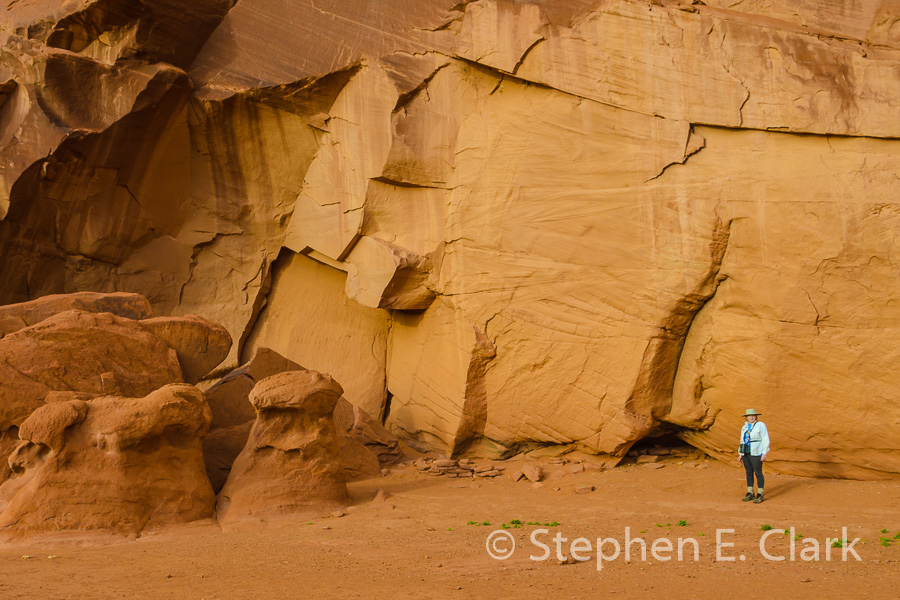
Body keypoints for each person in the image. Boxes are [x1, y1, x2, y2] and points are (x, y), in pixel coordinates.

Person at [737, 408, 770, 503]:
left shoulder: (761, 425)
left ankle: (760, 493)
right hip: (746, 452)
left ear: (756, 416)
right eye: (749, 416)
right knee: (749, 472)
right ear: (746, 417)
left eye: (753, 416)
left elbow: (765, 438)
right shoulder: (744, 427)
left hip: (756, 452)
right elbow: (742, 440)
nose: (751, 417)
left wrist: (764, 453)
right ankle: (750, 492)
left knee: (758, 472)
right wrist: (740, 454)